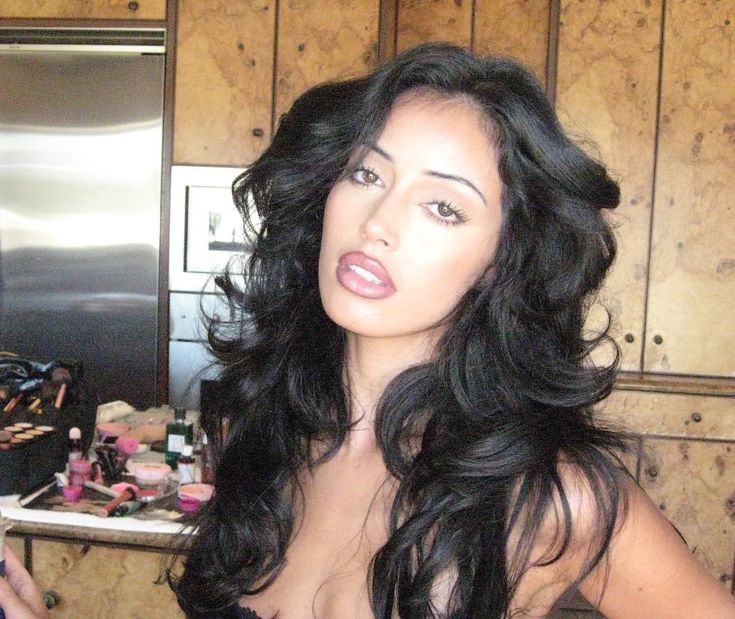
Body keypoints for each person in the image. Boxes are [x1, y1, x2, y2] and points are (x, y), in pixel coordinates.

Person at [1, 42, 733, 619]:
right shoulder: (263, 433)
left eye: (442, 207)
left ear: (497, 261)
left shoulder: (551, 496)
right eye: (366, 175)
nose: (377, 224)